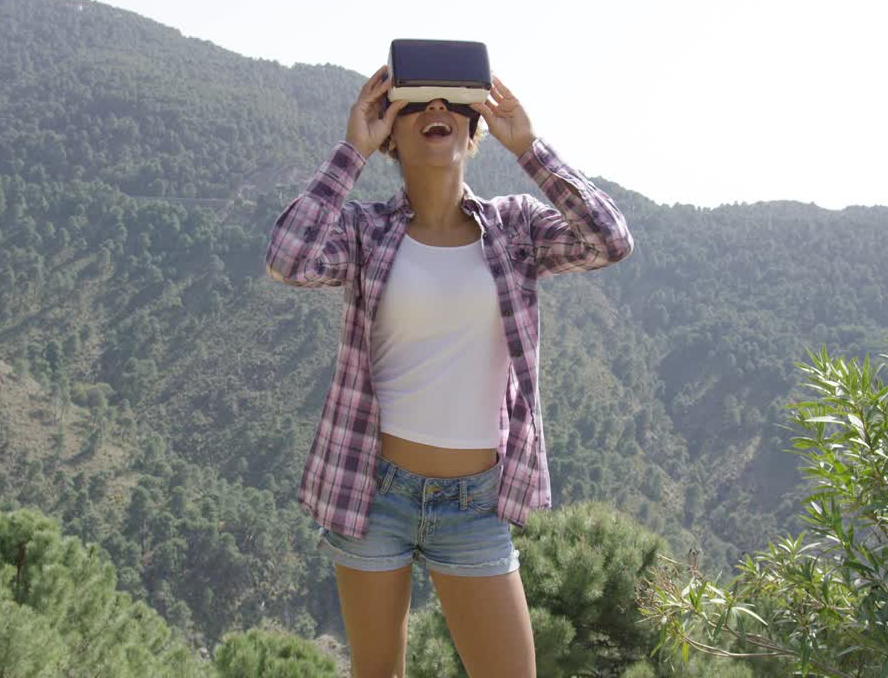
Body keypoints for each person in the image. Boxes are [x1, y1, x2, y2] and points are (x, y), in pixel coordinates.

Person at [265, 64, 633, 677]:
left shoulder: (515, 228)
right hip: (373, 491)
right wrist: (351, 152)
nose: (436, 109)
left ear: (472, 125)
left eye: (453, 101)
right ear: (391, 131)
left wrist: (530, 148)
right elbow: (287, 258)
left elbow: (609, 240)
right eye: (414, 103)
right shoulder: (365, 230)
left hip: (474, 505)